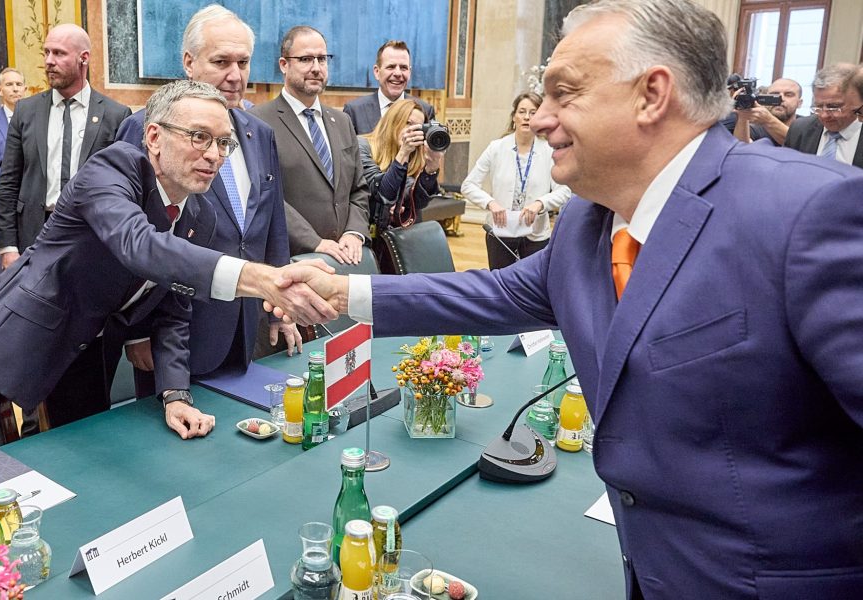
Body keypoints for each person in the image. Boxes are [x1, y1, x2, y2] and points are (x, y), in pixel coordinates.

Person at [278, 1, 863, 597]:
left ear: (651, 93)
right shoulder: (589, 220)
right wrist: (340, 290)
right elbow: (493, 291)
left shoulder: (809, 214)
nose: (542, 118)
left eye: (564, 92)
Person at [0, 80, 337, 439]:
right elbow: (138, 245)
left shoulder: (200, 214)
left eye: (224, 143)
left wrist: (175, 394)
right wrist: (260, 279)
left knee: (80, 458)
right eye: (199, 137)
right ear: (154, 137)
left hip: (93, 347)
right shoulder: (112, 168)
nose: (213, 155)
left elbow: (174, 309)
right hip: (22, 338)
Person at [116, 4, 296, 395]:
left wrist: (282, 304)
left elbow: (271, 225)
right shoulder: (145, 128)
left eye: (244, 62)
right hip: (171, 334)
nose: (235, 76)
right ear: (189, 63)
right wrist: (135, 331)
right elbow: (131, 239)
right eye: (221, 62)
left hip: (244, 324)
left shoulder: (259, 133)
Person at [0, 24, 131, 267]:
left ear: (84, 58)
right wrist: (8, 247)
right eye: (46, 53)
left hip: (91, 235)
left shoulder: (116, 115)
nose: (49, 61)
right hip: (34, 234)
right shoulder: (26, 111)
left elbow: (123, 188)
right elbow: (8, 183)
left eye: (58, 53)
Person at [250, 26, 369, 264]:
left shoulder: (342, 121)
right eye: (305, 59)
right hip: (291, 261)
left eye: (322, 59)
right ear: (284, 65)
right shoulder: (259, 122)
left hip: (344, 259)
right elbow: (264, 195)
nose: (316, 67)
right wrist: (314, 242)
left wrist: (354, 232)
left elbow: (358, 189)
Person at [461, 92, 571, 269]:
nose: (527, 117)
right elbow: (468, 185)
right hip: (500, 233)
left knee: (531, 289)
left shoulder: (549, 151)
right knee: (501, 287)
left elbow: (565, 191)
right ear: (514, 117)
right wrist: (491, 203)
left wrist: (540, 203)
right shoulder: (496, 148)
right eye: (522, 112)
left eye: (533, 112)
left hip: (535, 235)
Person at [358, 99, 442, 240]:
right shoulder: (361, 146)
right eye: (408, 123)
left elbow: (416, 201)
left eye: (418, 128)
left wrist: (431, 168)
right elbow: (382, 192)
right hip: (363, 236)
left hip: (396, 238)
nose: (412, 131)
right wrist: (403, 153)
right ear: (392, 122)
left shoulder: (413, 155)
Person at [342, 40, 435, 135]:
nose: (398, 73)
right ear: (377, 72)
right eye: (391, 67)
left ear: (409, 72)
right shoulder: (354, 111)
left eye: (403, 67)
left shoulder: (425, 110)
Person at [0, 67, 25, 279]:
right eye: (9, 84)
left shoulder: (32, 120)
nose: (15, 89)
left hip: (27, 207)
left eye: (18, 84)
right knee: (1, 270)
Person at [784, 63, 863, 166]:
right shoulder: (800, 129)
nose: (824, 115)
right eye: (819, 106)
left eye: (834, 106)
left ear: (858, 101)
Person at [732, 77, 801, 146]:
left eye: (788, 95)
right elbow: (741, 149)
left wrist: (768, 120)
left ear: (799, 103)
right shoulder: (756, 128)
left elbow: (801, 144)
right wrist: (743, 114)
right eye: (774, 94)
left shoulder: (806, 126)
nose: (781, 98)